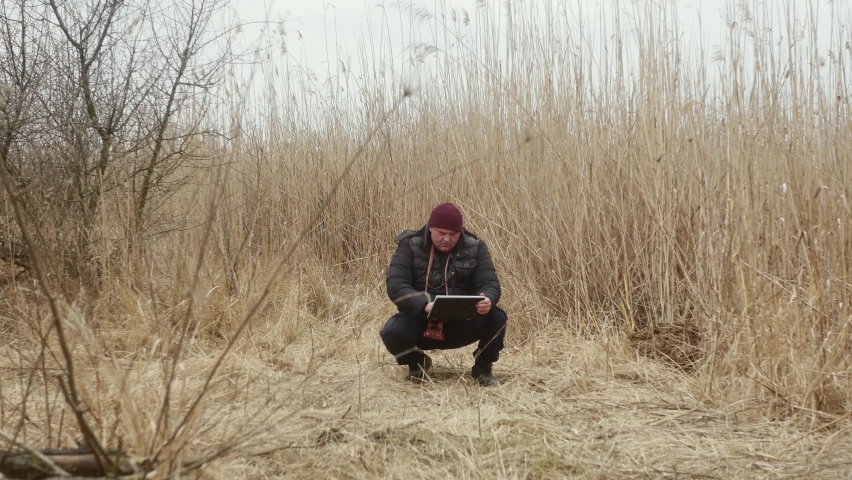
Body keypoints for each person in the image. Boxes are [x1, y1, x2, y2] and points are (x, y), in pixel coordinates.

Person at [380, 202, 508, 386]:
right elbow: (396, 285)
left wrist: (487, 298)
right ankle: (417, 363)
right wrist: (424, 305)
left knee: (497, 317)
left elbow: (489, 282)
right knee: (392, 332)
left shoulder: (476, 246)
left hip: (462, 320)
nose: (447, 239)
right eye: (441, 233)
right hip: (420, 318)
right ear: (430, 228)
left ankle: (483, 368)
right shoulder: (409, 245)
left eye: (453, 234)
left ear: (460, 232)